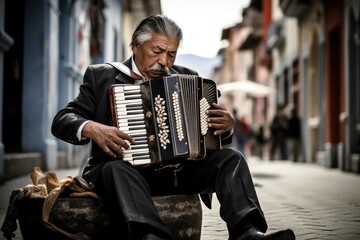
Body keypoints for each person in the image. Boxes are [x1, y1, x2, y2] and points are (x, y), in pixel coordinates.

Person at [51, 14, 295, 240]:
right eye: (157, 51)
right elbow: (63, 119)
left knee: (231, 159)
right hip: (123, 176)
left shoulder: (187, 77)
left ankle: (248, 232)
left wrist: (225, 126)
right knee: (115, 168)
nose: (164, 62)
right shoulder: (101, 76)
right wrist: (92, 128)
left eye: (171, 54)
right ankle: (152, 236)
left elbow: (206, 137)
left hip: (176, 174)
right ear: (136, 45)